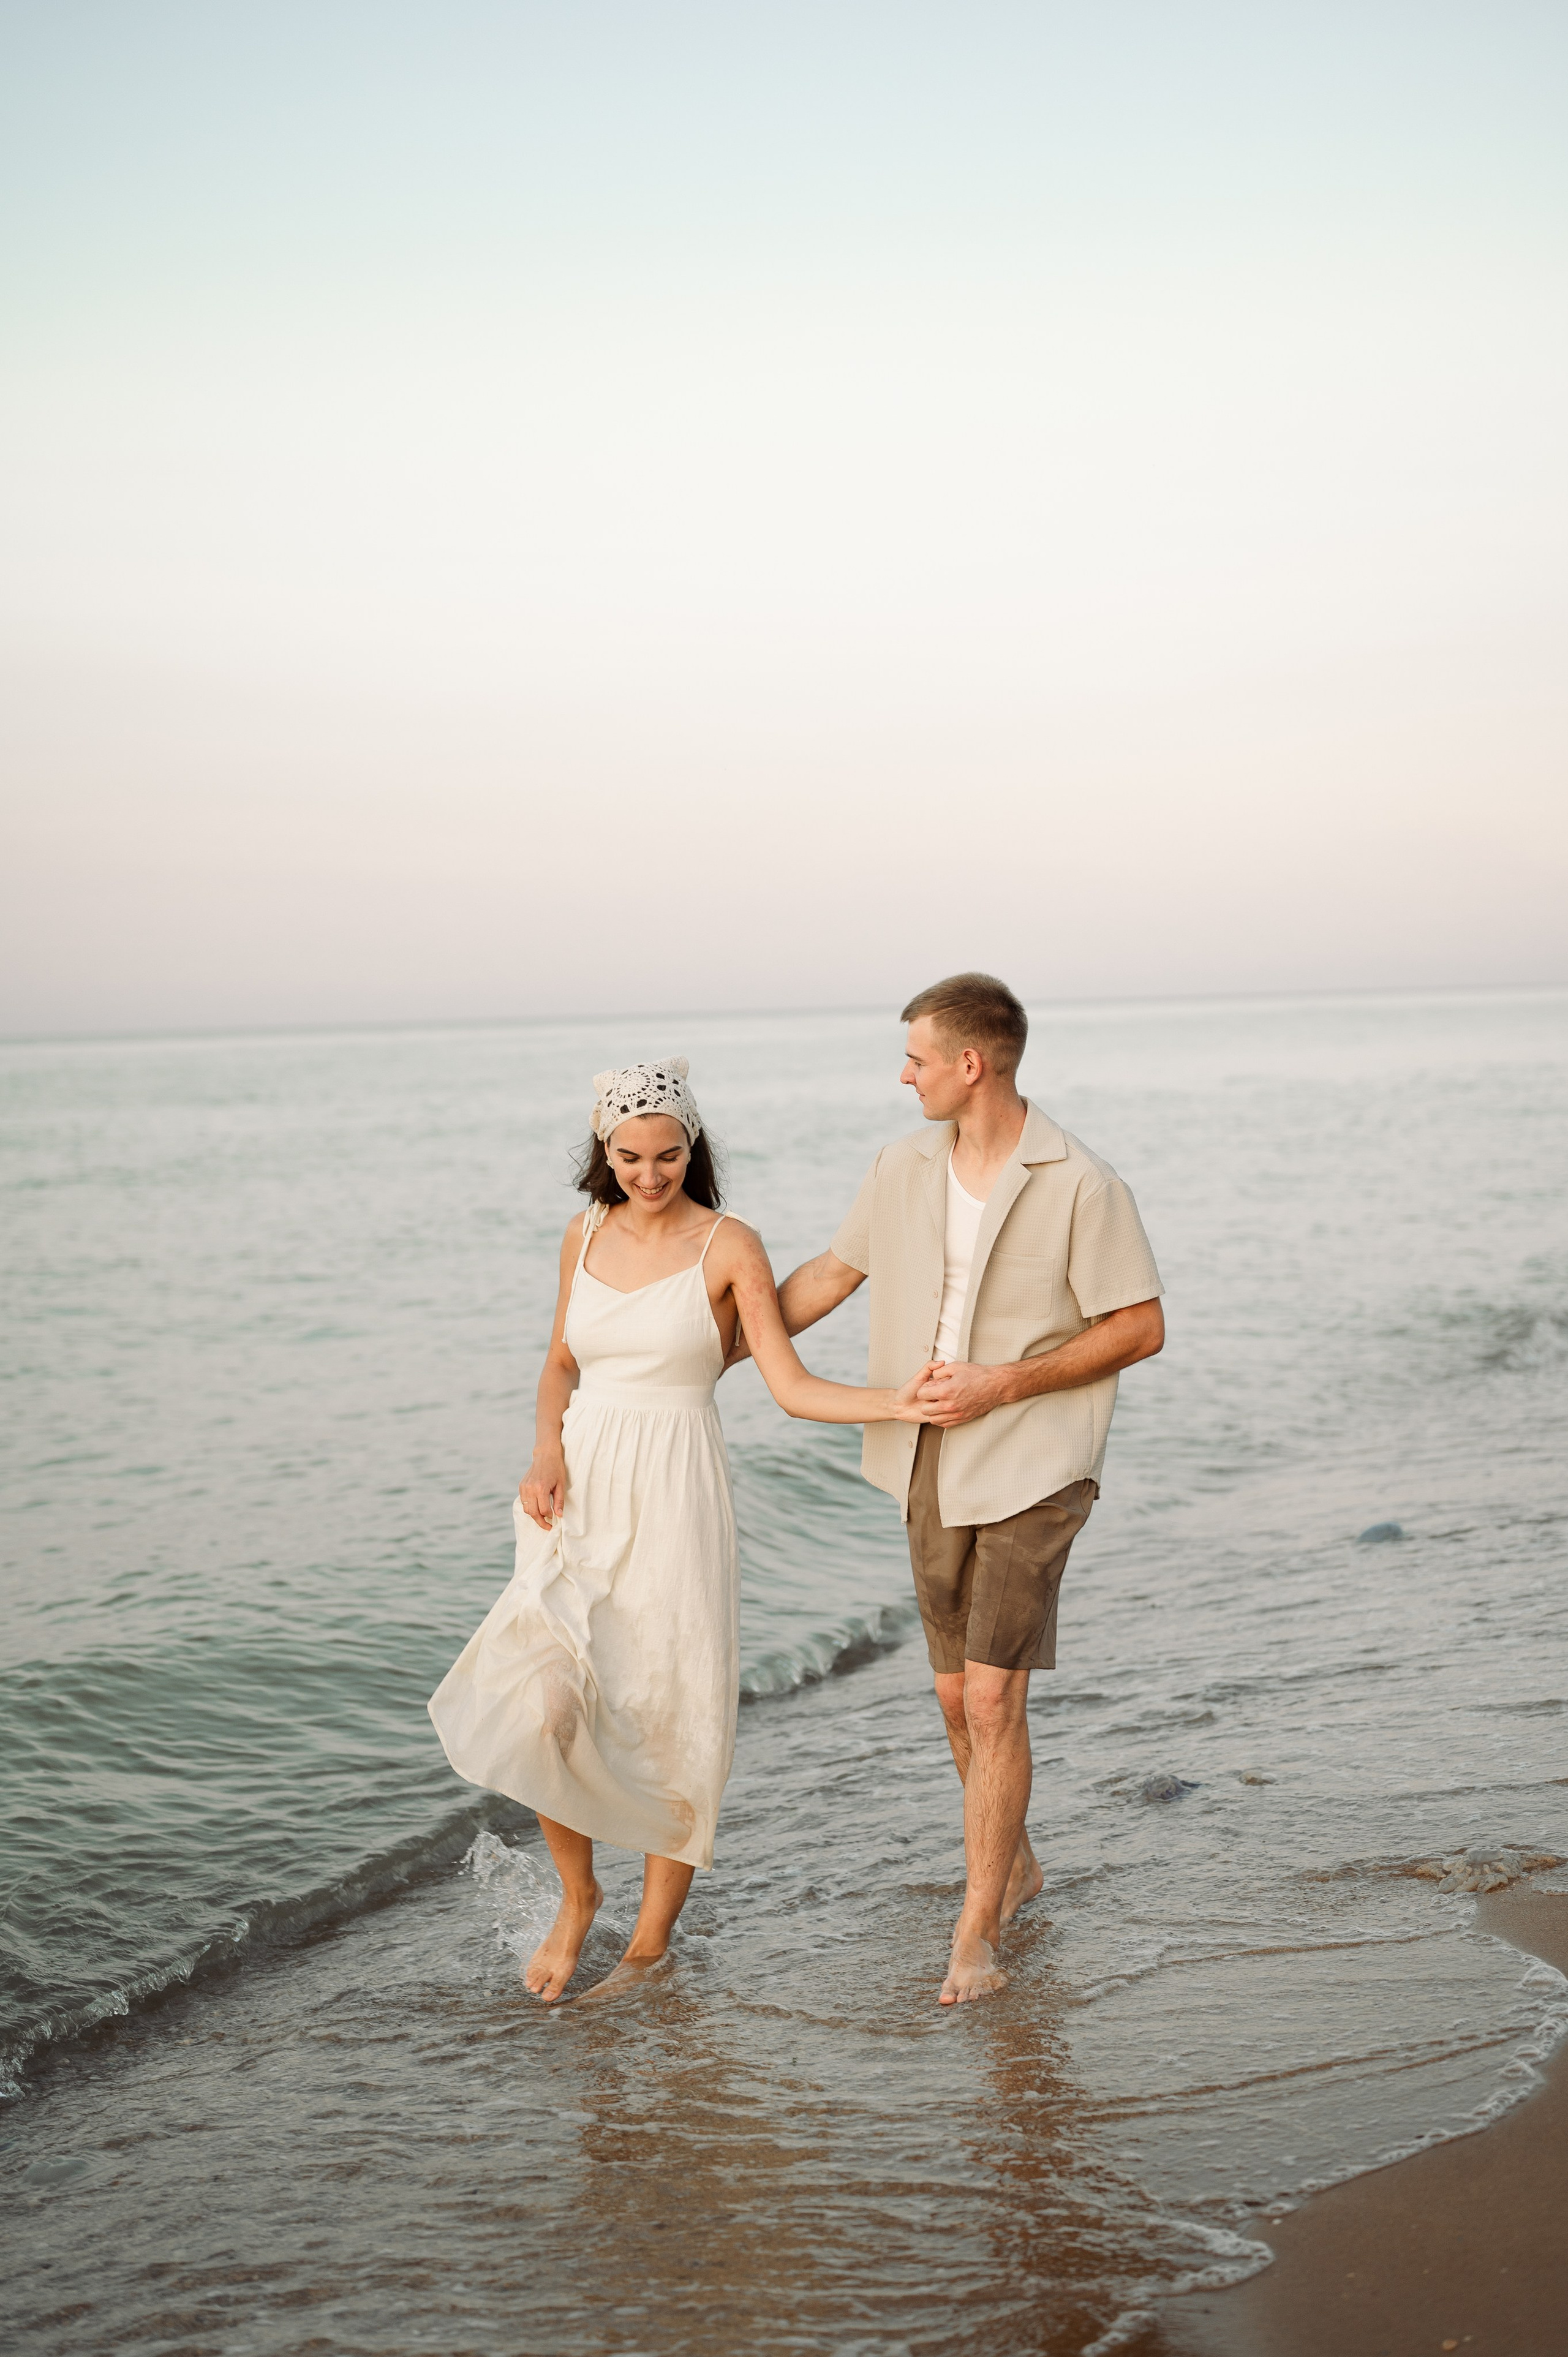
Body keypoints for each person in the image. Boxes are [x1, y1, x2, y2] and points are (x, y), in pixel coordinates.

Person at [428, 1058, 931, 2005]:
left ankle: (648, 1949)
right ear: (602, 1153)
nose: (648, 1175)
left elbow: (787, 1385)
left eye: (666, 1155)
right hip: (575, 1496)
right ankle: (578, 1896)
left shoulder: (727, 1244)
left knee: (669, 1714)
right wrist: (544, 1453)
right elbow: (557, 1366)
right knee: (543, 1705)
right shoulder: (581, 1236)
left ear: (691, 1147)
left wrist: (898, 1402)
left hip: (675, 1494)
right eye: (628, 1157)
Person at [735, 975, 1164, 2007]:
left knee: (991, 1693)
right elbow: (829, 1280)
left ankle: (976, 1931)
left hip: (1039, 1460)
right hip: (927, 1455)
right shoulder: (900, 1167)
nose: (905, 1073)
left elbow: (1139, 1326)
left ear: (971, 1064)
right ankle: (1013, 1860)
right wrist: (701, 1347)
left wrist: (1004, 1382)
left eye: (918, 1056)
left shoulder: (1080, 1182)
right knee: (947, 1695)